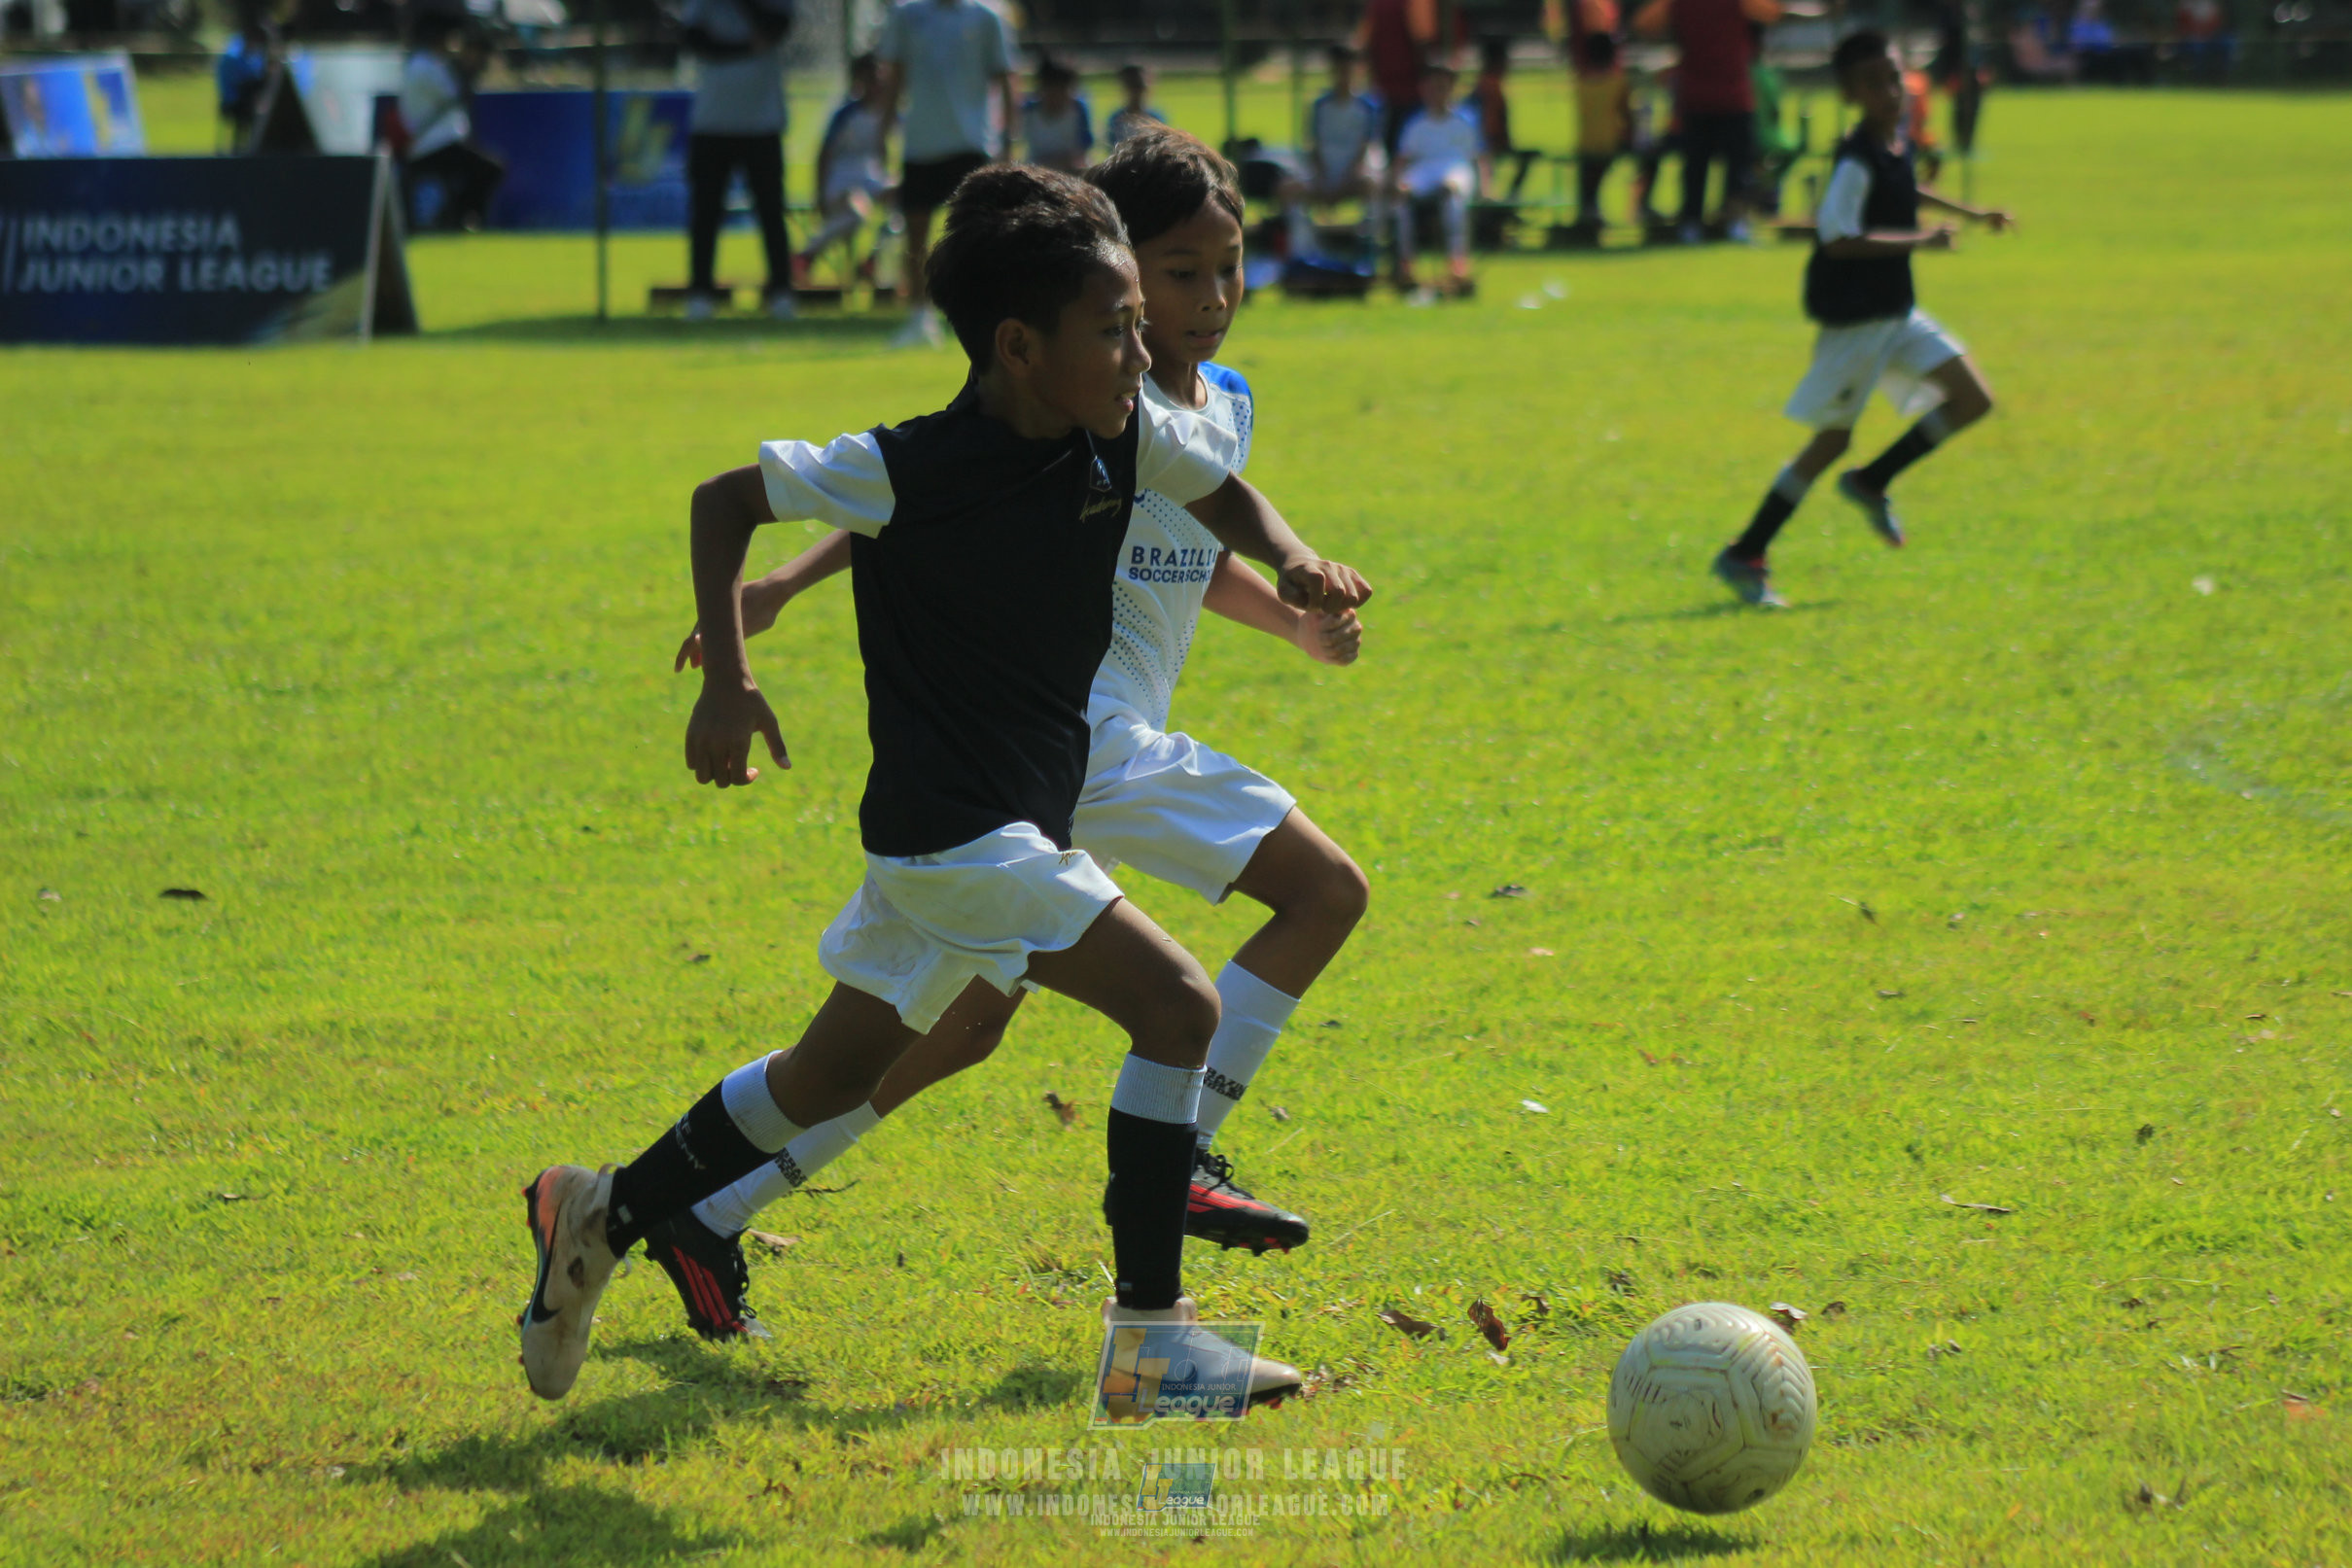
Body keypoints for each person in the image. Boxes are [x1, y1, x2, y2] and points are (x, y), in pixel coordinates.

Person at [514, 163, 1375, 1406]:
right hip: (963, 838)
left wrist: (1293, 561)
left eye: (1143, 321)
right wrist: (728, 676)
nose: (1141, 353)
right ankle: (1150, 1345)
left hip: (969, 834)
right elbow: (724, 500)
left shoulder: (1123, 431)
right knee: (1179, 1007)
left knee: (828, 1077)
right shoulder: (908, 465)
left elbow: (1220, 485)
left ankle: (604, 1207)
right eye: (1117, 327)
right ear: (1019, 345)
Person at [1711, 30, 2014, 609]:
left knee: (1973, 397)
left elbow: (1905, 186)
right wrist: (1921, 240)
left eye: (1895, 78)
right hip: (1858, 322)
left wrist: (1975, 213)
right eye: (1874, 83)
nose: (1891, 92)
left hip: (1896, 313)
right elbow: (1837, 237)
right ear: (1851, 93)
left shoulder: (1891, 143)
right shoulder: (1853, 158)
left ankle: (1872, 480)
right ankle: (1746, 552)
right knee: (1829, 441)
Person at [877, 0, 1018, 348]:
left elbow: (1005, 79)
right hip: (920, 144)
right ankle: (918, 318)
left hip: (970, 143)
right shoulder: (907, 15)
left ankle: (982, 316)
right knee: (916, 236)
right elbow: (893, 77)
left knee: (979, 239)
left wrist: (1009, 138)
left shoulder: (987, 17)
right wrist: (883, 131)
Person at [680, 0, 796, 321]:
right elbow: (695, 42)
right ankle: (701, 292)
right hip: (711, 121)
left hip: (762, 122)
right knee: (705, 212)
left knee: (771, 211)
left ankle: (781, 292)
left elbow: (777, 28)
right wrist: (747, 47)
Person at [1632, 0, 1781, 243]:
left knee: (1710, 167)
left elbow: (1644, 25)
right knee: (1715, 167)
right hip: (1720, 95)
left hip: (1710, 95)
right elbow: (1772, 13)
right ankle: (1718, 222)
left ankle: (1708, 222)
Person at [1278, 44, 1385, 260]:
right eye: (1339, 69)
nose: (1343, 75)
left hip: (1354, 173)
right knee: (1288, 189)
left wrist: (1346, 180)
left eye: (1348, 69)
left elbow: (1366, 148)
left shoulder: (1369, 106)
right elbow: (1313, 145)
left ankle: (1367, 249)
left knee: (1373, 185)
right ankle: (1303, 251)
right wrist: (1321, 177)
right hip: (1324, 172)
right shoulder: (1320, 105)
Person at [400, 18, 504, 232]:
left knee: (483, 168)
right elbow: (454, 93)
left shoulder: (423, 63)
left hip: (435, 142)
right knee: (490, 169)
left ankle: (460, 217)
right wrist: (466, 65)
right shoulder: (425, 66)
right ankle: (462, 218)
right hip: (433, 144)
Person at [797, 52, 892, 285]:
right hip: (842, 178)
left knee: (905, 202)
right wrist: (819, 192)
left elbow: (883, 150)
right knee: (856, 214)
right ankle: (806, 255)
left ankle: (873, 258)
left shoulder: (886, 113)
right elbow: (825, 154)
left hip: (869, 176)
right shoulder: (846, 114)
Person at [1388, 60, 1481, 296]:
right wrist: (1397, 182)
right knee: (1401, 198)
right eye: (1432, 86)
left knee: (1453, 195)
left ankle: (1457, 261)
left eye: (1442, 86)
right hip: (1425, 170)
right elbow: (1404, 158)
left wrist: (1486, 186)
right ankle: (1406, 263)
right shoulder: (1416, 123)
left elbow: (1478, 156)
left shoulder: (1465, 120)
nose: (1437, 92)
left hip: (1455, 167)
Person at [1357, 0, 1439, 155]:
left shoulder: (1376, 5)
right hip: (1409, 89)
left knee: (1391, 144)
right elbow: (1423, 39)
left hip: (1387, 88)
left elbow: (1366, 42)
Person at [1572, 29, 1632, 233]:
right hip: (1609, 143)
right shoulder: (1618, 83)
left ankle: (1588, 218)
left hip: (1585, 143)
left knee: (1589, 185)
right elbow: (1627, 117)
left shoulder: (1580, 82)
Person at [1021, 55, 1093, 173]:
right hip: (1035, 169)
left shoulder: (1078, 109)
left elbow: (1082, 150)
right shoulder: (1029, 110)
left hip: (1069, 170)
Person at [215, 13, 278, 149]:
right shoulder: (233, 56)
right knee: (255, 112)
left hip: (245, 100)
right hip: (235, 102)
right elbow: (240, 84)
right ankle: (246, 148)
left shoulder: (252, 56)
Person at [1105, 63, 1166, 145]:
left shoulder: (1155, 117)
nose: (1136, 93)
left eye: (1139, 88)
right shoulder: (1117, 118)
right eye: (1132, 88)